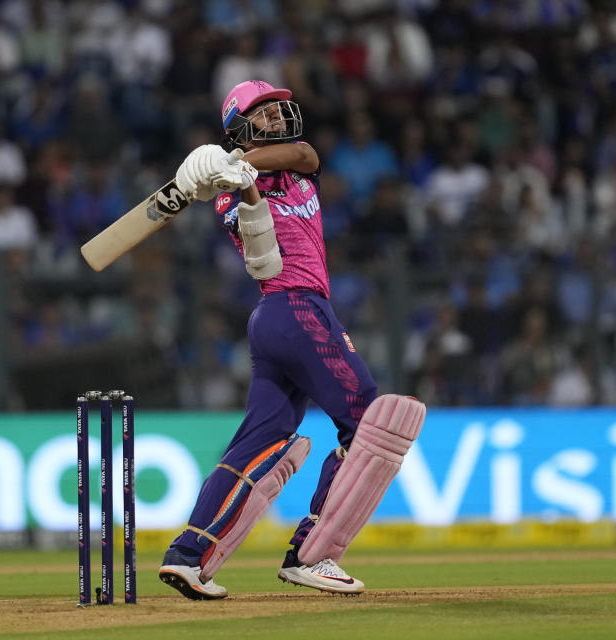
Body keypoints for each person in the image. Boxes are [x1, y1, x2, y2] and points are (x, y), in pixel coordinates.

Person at [157, 80, 424, 600]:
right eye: (264, 113)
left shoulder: (290, 162)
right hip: (294, 307)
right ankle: (313, 553)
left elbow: (305, 152)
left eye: (280, 109)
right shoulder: (230, 192)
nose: (278, 117)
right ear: (239, 124)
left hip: (281, 322)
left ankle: (189, 557)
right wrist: (237, 178)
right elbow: (263, 253)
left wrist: (238, 159)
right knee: (372, 424)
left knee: (260, 440)